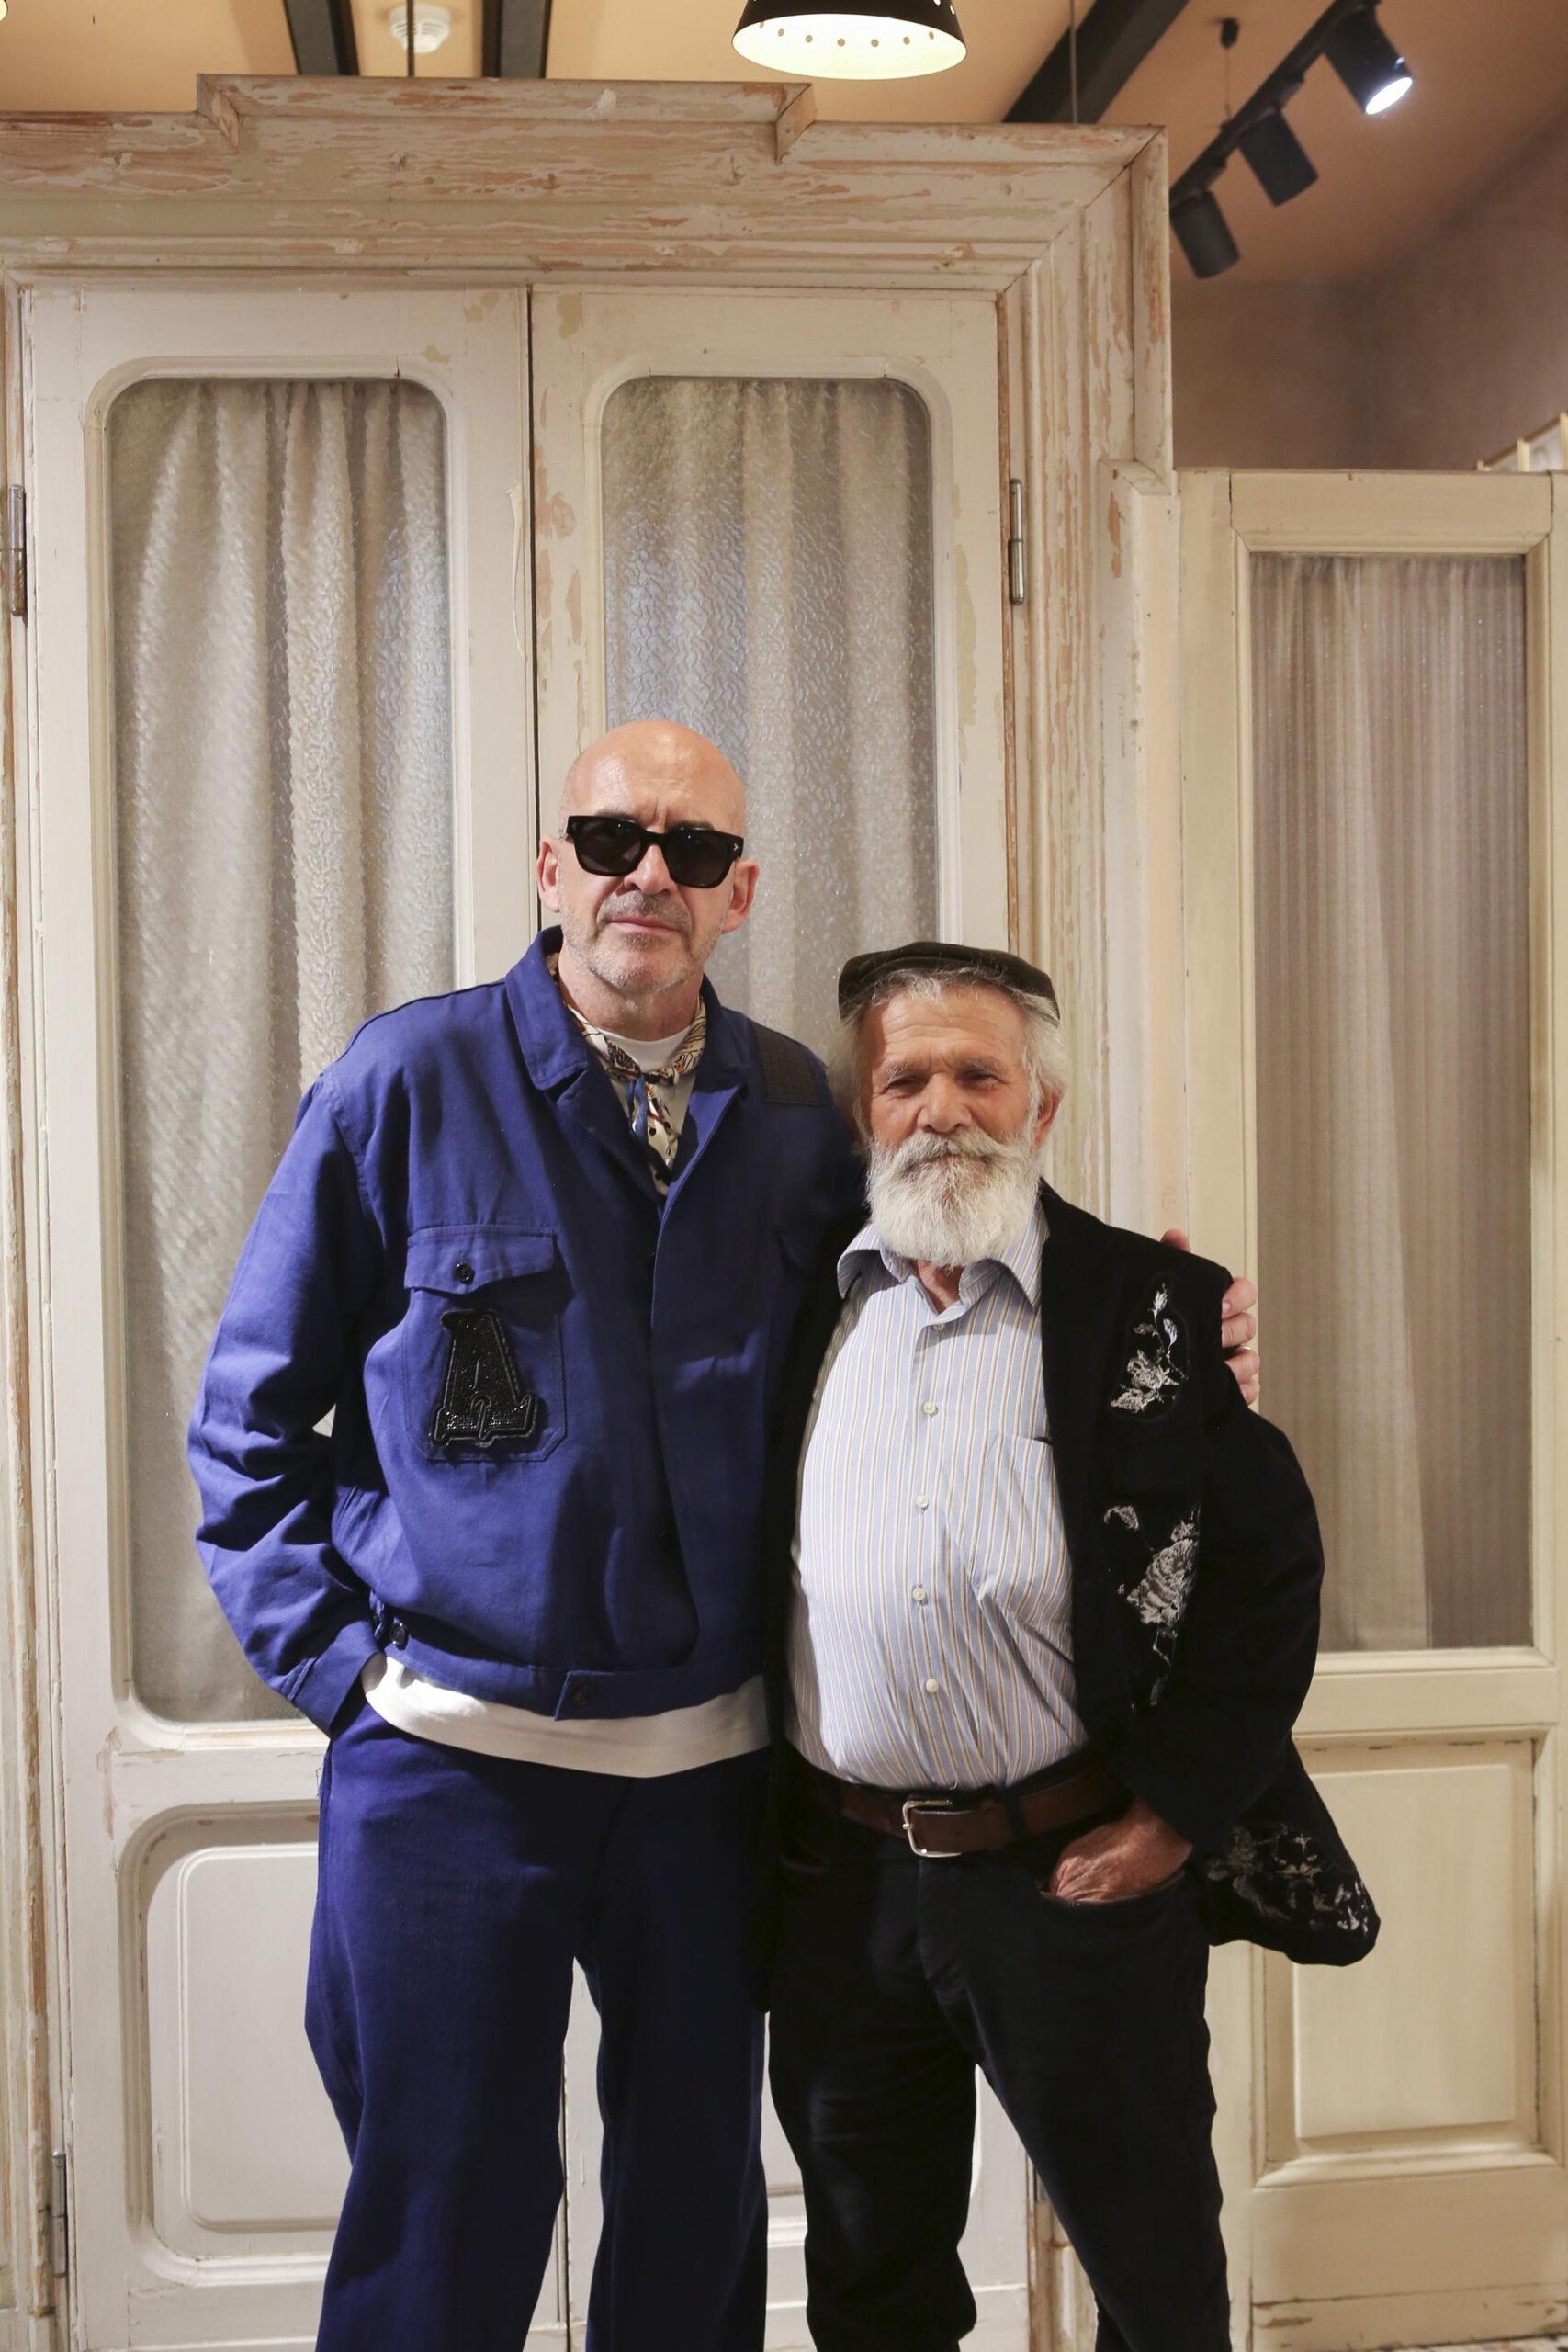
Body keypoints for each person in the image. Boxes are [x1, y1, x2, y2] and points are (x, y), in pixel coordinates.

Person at [187, 724, 1261, 2351]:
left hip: (709, 1785)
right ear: (551, 866)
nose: (648, 876)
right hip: (451, 1773)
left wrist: (1160, 1321)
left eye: (691, 851)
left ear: (737, 893)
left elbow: (946, 1274)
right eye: (611, 840)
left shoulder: (797, 1115)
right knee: (446, 2201)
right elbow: (247, 1423)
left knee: (694, 2215)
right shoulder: (407, 1083)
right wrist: (346, 1675)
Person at [763, 941, 1378, 2352]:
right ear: (863, 1112)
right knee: (868, 2276)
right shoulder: (794, 1306)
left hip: (1069, 1874)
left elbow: (1267, 1579)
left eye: (979, 1076)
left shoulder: (1150, 1306)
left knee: (1151, 2270)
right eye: (905, 1081)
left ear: (1041, 1107)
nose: (942, 1110)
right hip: (846, 1888)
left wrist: (1171, 1819)